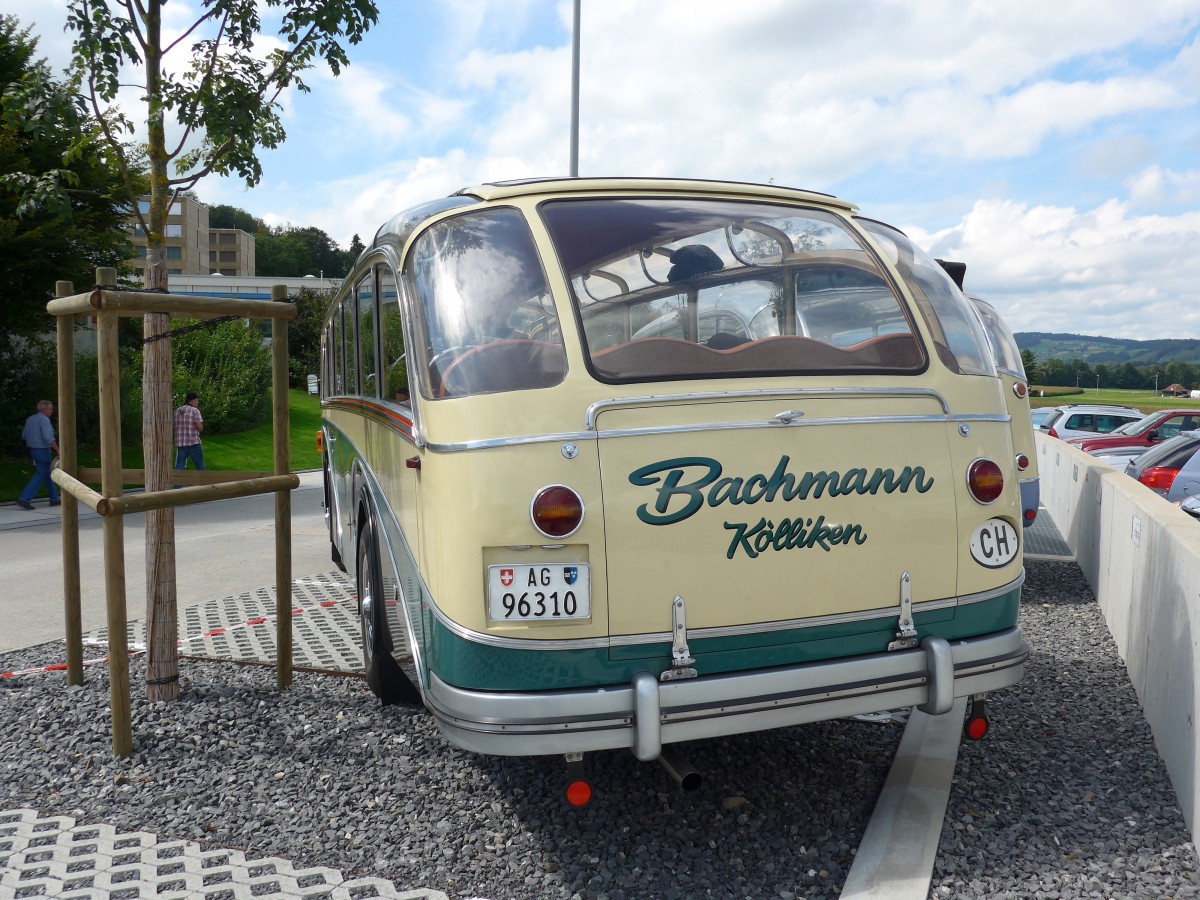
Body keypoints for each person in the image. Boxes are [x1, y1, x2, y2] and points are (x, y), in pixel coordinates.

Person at [17, 400, 60, 510]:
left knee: (46, 473)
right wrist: (58, 450)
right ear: (45, 409)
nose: (52, 411)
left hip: (33, 450)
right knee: (41, 473)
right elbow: (48, 438)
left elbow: (24, 435)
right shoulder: (44, 420)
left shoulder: (30, 419)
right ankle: (24, 498)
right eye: (50, 408)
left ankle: (54, 498)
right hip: (43, 450)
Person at [173, 392, 205, 471]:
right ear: (191, 401)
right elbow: (199, 427)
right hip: (193, 442)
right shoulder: (195, 411)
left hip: (181, 443)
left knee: (180, 466)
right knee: (200, 466)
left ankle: (177, 483)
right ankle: (203, 482)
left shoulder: (178, 411)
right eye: (196, 400)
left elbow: (174, 426)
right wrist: (201, 426)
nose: (197, 402)